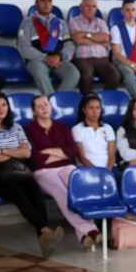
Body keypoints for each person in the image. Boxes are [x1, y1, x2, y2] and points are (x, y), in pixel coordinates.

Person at [0, 91, 64, 258]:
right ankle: (45, 231)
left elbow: (26, 153)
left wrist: (2, 151)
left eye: (4, 105)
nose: (1, 109)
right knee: (17, 193)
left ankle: (43, 237)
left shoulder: (15, 127)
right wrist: (15, 152)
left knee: (35, 191)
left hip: (15, 170)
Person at [24, 95, 99, 250]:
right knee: (61, 191)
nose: (44, 108)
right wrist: (60, 153)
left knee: (78, 190)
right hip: (43, 171)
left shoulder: (62, 126)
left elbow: (71, 151)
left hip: (66, 167)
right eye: (39, 106)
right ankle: (90, 230)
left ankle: (84, 235)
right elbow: (35, 158)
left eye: (46, 104)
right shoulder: (29, 129)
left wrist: (47, 152)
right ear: (34, 111)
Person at [18, 0, 78, 96]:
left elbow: (69, 44)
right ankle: (51, 102)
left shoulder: (61, 23)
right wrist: (45, 58)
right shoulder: (27, 23)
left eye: (49, 0)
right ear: (36, 2)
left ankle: (56, 100)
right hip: (37, 61)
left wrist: (60, 56)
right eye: (43, 0)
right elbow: (24, 47)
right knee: (39, 71)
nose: (46, 4)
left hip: (58, 60)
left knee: (73, 73)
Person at [68, 0, 119, 93]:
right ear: (81, 7)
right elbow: (78, 39)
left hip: (101, 58)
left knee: (114, 75)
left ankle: (105, 100)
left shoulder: (101, 22)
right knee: (86, 77)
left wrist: (85, 35)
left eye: (94, 6)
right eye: (87, 6)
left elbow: (106, 38)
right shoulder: (74, 22)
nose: (90, 9)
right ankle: (87, 101)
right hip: (83, 58)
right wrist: (98, 40)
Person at [71, 92, 116, 170]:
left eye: (97, 108)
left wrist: (108, 170)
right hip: (87, 169)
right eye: (91, 108)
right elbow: (81, 157)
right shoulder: (77, 129)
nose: (95, 111)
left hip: (108, 168)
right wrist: (97, 171)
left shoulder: (108, 128)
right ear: (84, 110)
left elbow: (111, 155)